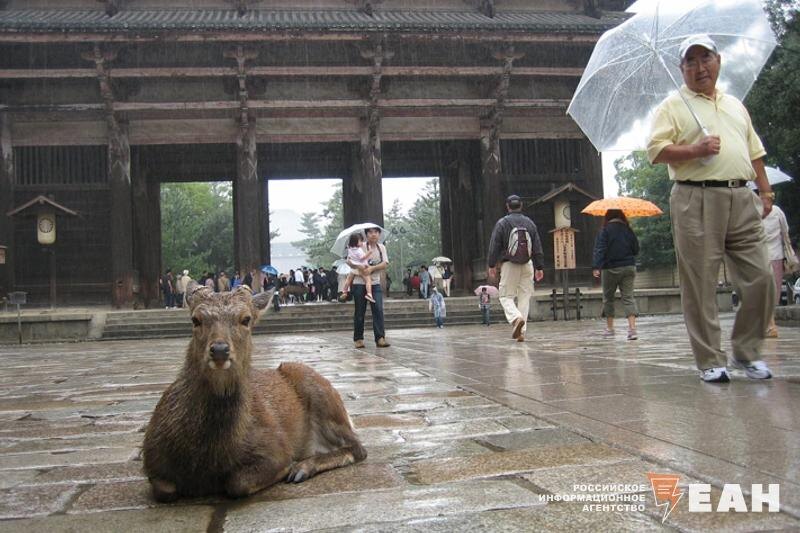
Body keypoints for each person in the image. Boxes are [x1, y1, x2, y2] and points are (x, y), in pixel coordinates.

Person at [646, 34, 775, 383]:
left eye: (706, 58)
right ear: (681, 68)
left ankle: (747, 352)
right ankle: (710, 360)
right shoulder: (673, 106)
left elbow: (755, 152)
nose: (700, 67)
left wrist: (765, 192)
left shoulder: (735, 104)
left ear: (718, 61)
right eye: (691, 61)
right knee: (700, 282)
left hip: (741, 195)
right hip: (695, 198)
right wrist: (695, 150)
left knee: (762, 277)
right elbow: (656, 151)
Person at [487, 195, 545, 343]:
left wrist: (491, 264)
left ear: (507, 206)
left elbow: (494, 245)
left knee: (505, 296)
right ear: (521, 205)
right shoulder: (530, 223)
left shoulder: (502, 223)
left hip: (509, 264)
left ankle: (515, 318)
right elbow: (537, 246)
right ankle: (521, 332)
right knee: (524, 298)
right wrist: (539, 266)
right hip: (527, 264)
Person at [592, 209, 640, 341]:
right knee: (628, 297)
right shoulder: (628, 230)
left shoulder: (605, 230)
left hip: (610, 268)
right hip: (629, 267)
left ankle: (610, 329)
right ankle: (632, 329)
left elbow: (600, 249)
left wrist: (597, 266)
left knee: (608, 298)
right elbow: (636, 249)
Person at [349, 226, 390, 348]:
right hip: (359, 283)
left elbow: (385, 263)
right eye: (370, 232)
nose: (373, 234)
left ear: (379, 234)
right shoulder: (360, 246)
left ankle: (380, 338)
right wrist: (359, 267)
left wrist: (372, 268)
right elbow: (349, 261)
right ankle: (358, 339)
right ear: (366, 235)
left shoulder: (381, 248)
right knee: (360, 311)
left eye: (376, 232)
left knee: (378, 310)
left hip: (375, 283)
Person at [761, 196, 791, 338]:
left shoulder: (755, 212)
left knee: (763, 290)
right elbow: (786, 229)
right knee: (775, 290)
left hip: (761, 255)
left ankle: (769, 324)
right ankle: (770, 323)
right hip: (777, 256)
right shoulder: (778, 211)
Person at [339, 233, 376, 303]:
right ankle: (369, 294)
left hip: (353, 268)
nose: (362, 242)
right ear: (355, 242)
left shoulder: (349, 248)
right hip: (361, 268)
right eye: (360, 241)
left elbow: (350, 257)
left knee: (348, 280)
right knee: (368, 280)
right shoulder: (358, 250)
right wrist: (369, 252)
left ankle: (344, 291)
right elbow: (362, 258)